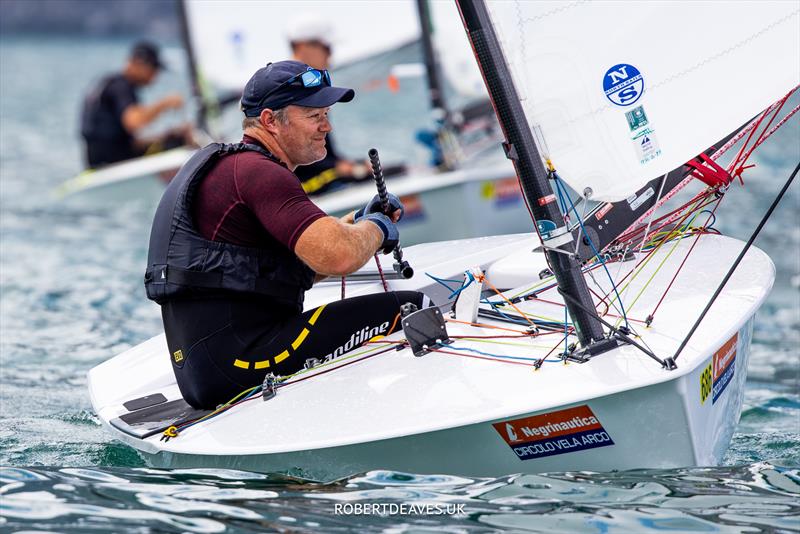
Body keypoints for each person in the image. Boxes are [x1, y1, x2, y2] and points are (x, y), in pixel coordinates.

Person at [144, 60, 430, 409]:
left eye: (327, 113)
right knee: (414, 307)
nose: (326, 125)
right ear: (269, 121)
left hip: (211, 370)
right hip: (244, 360)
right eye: (314, 115)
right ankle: (421, 413)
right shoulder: (260, 174)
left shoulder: (236, 169)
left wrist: (358, 222)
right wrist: (379, 229)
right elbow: (338, 255)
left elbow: (299, 266)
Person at [286, 17, 370, 195]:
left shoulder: (310, 87)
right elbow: (297, 155)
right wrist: (346, 168)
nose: (331, 55)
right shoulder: (289, 91)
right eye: (327, 48)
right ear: (302, 46)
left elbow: (324, 154)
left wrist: (350, 165)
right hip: (306, 191)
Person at [80, 41, 189, 168]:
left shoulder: (108, 83)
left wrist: (164, 135)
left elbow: (126, 138)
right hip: (112, 161)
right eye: (153, 69)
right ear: (138, 63)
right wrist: (165, 103)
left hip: (98, 158)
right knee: (177, 142)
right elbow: (134, 121)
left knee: (172, 136)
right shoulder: (121, 87)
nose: (155, 76)